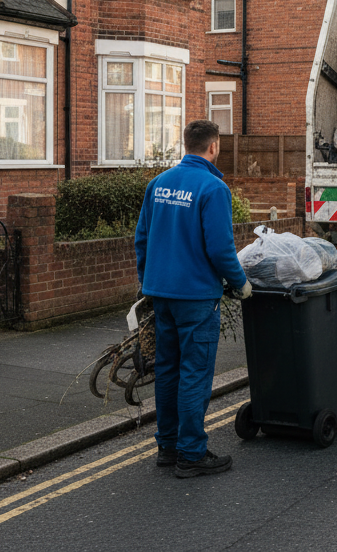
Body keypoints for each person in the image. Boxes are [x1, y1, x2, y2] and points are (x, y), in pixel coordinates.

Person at [135, 120, 250, 478]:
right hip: (197, 298)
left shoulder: (159, 184)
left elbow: (142, 239)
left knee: (167, 370)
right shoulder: (213, 188)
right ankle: (192, 453)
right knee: (194, 373)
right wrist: (240, 283)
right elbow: (220, 248)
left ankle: (167, 447)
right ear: (213, 146)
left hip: (160, 294)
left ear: (185, 145)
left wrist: (148, 282)